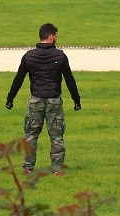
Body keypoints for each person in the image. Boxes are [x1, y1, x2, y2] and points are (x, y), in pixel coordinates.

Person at [6, 23, 81, 176]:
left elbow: (18, 79)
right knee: (56, 136)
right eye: (56, 37)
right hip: (54, 101)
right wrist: (76, 99)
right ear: (51, 37)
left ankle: (28, 167)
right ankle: (57, 169)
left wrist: (10, 98)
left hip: (35, 101)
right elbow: (69, 79)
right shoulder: (60, 56)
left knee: (31, 135)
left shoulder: (29, 56)